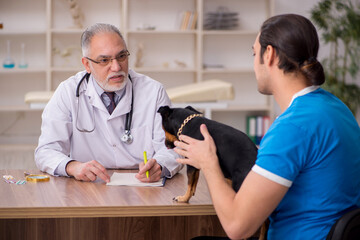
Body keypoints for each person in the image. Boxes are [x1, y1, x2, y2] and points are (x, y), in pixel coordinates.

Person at [174, 14, 360, 239]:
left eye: (254, 53)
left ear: (269, 54)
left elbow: (236, 226)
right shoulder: (336, 107)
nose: (254, 63)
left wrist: (209, 163)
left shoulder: (292, 127)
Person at [35, 23, 182, 183]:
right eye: (104, 60)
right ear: (87, 64)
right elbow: (46, 151)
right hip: (89, 187)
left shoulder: (153, 92)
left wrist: (160, 166)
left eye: (122, 56)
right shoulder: (68, 92)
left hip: (143, 186)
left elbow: (174, 148)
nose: (116, 67)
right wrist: (73, 166)